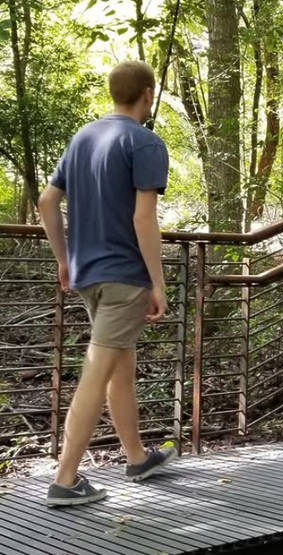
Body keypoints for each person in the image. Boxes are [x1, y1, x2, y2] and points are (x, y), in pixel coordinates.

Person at [38, 60, 177, 506]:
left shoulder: (83, 137)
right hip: (124, 278)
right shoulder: (145, 142)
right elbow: (143, 218)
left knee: (120, 368)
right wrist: (158, 283)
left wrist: (64, 259)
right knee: (98, 373)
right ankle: (65, 480)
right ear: (148, 95)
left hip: (88, 275)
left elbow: (47, 200)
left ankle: (137, 457)